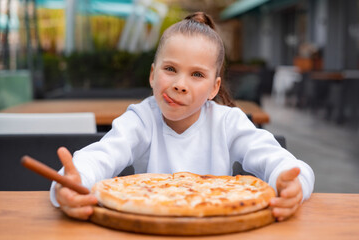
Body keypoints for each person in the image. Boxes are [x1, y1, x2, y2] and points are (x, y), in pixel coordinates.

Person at [50, 12, 315, 222]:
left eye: (197, 74)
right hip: (150, 228)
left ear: (214, 87)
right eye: (170, 69)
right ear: (153, 75)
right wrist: (71, 184)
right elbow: (99, 158)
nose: (180, 84)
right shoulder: (141, 119)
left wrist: (293, 184)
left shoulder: (228, 122)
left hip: (217, 229)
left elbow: (287, 165)